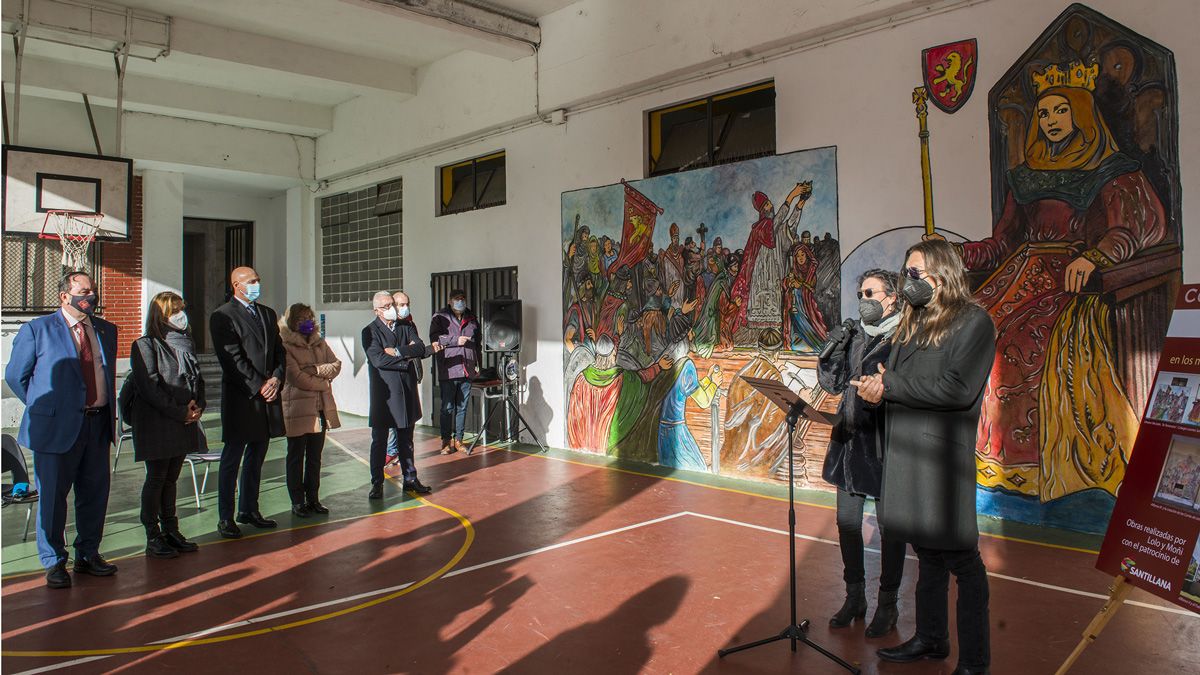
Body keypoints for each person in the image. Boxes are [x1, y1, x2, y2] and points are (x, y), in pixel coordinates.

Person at [853, 240, 996, 675]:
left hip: (940, 463)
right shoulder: (913, 323)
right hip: (905, 455)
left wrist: (892, 385)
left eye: (916, 274)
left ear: (943, 273)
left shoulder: (974, 322)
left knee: (961, 560)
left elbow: (957, 389)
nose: (909, 282)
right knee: (926, 555)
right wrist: (878, 390)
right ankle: (932, 638)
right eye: (906, 273)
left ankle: (975, 662)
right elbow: (892, 379)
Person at [5, 271, 118, 588]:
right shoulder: (38, 329)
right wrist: (44, 406)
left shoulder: (105, 330)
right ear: (65, 296)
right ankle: (54, 561)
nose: (91, 296)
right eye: (84, 290)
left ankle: (88, 554)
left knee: (95, 493)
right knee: (53, 498)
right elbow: (16, 375)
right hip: (55, 429)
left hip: (97, 423)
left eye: (93, 291)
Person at [817, 270, 906, 637]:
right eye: (860, 293)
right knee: (848, 524)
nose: (864, 298)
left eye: (870, 292)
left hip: (886, 444)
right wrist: (833, 347)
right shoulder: (857, 335)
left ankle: (887, 605)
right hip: (850, 442)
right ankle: (855, 596)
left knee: (890, 529)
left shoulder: (905, 336)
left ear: (893, 297)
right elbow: (833, 383)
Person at [209, 266, 286, 539]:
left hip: (267, 396)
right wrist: (259, 385)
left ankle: (249, 509)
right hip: (242, 398)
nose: (256, 284)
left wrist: (276, 379)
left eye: (258, 279)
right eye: (251, 281)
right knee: (232, 459)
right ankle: (225, 517)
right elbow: (232, 359)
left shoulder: (267, 313)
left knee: (257, 456)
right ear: (236, 285)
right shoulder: (222, 316)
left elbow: (278, 350)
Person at [128, 291, 205, 559]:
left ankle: (172, 529)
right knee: (157, 477)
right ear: (161, 315)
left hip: (183, 421)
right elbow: (151, 387)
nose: (180, 315)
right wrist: (180, 412)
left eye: (181, 309)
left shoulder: (186, 343)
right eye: (174, 310)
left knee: (172, 478)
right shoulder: (145, 345)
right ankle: (153, 534)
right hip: (157, 423)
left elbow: (196, 379)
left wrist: (197, 406)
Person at [364, 291, 440, 499]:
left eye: (393, 305)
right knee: (379, 441)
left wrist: (397, 352)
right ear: (377, 310)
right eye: (387, 306)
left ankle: (410, 479)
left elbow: (420, 348)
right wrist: (406, 359)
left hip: (406, 391)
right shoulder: (369, 331)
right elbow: (378, 360)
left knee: (406, 439)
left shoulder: (407, 326)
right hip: (385, 397)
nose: (394, 309)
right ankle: (377, 482)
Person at [279, 303, 342, 517]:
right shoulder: (285, 345)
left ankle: (313, 498)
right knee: (296, 456)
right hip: (296, 408)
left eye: (310, 317)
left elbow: (335, 365)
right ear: (292, 321)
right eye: (302, 318)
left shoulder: (319, 342)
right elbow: (295, 377)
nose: (307, 322)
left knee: (315, 457)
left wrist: (313, 370)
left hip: (319, 408)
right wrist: (323, 381)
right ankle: (297, 501)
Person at [429, 289, 479, 455]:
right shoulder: (440, 318)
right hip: (449, 369)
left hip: (467, 369)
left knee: (462, 407)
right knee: (447, 408)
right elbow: (435, 340)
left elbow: (477, 344)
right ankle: (445, 441)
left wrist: (478, 363)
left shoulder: (471, 318)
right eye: (457, 299)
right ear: (450, 301)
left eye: (463, 299)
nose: (460, 302)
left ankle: (459, 440)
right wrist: (455, 341)